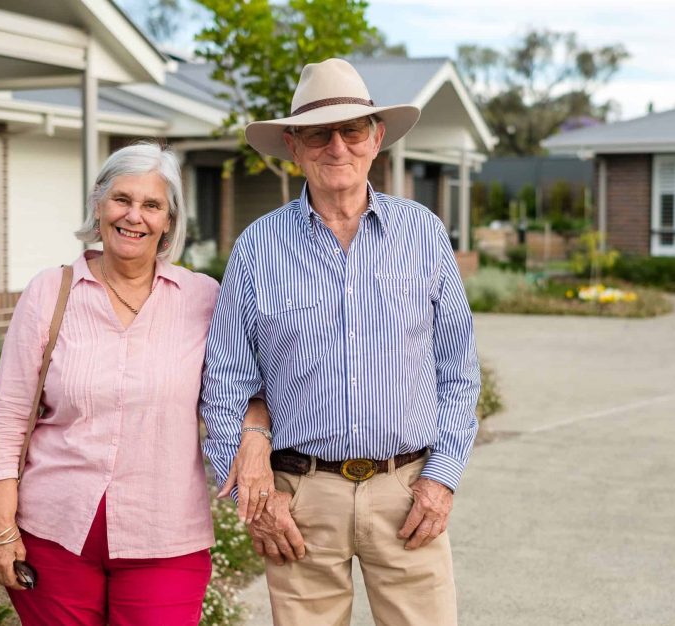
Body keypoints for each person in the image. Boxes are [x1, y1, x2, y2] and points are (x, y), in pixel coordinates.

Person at [201, 58, 481, 625]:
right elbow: (225, 382)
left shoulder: (423, 233)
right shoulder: (257, 249)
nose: (338, 147)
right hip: (299, 500)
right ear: (294, 146)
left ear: (376, 138)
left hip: (407, 491)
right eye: (318, 134)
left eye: (352, 130)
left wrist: (442, 480)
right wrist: (251, 500)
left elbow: (458, 368)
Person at [0, 143, 221, 624]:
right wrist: (1, 528)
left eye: (152, 205)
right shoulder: (50, 291)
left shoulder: (203, 299)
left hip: (165, 534)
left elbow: (240, 392)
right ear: (98, 205)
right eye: (121, 199)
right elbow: (6, 414)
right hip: (54, 532)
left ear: (170, 220)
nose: (135, 216)